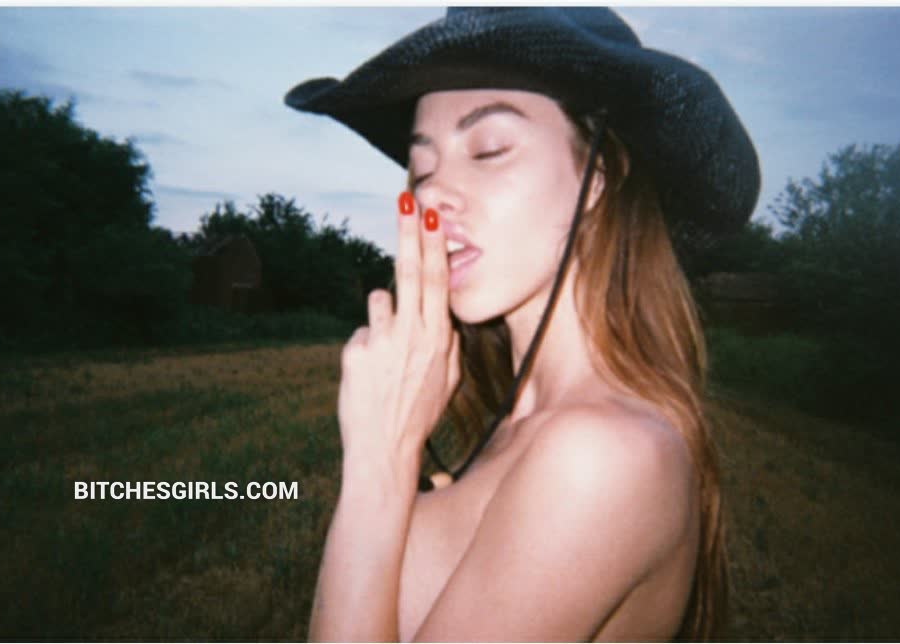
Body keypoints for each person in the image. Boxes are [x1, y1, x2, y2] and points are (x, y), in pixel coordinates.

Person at [285, 7, 759, 642]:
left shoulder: (605, 454)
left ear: (598, 178)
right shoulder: (515, 428)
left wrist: (379, 463)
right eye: (422, 169)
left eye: (489, 150)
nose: (431, 195)